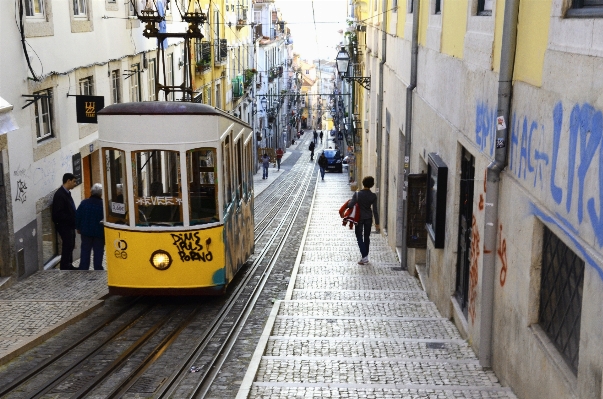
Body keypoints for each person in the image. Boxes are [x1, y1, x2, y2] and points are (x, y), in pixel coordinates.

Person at [348, 176, 380, 265]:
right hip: (368, 218)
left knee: (359, 236)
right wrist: (377, 223)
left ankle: (364, 256)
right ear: (372, 185)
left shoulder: (357, 194)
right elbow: (375, 210)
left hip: (359, 218)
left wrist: (349, 203)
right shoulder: (373, 196)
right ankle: (365, 256)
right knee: (367, 237)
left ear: (363, 183)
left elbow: (350, 205)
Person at [52, 173, 78, 270]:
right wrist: (70, 218)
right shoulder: (60, 195)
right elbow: (58, 214)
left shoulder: (66, 193)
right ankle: (65, 266)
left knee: (70, 244)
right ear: (68, 181)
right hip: (64, 226)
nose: (75, 184)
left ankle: (68, 264)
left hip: (69, 225)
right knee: (67, 245)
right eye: (74, 181)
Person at [76, 183, 105, 270]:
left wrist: (78, 227)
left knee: (85, 250)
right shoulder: (103, 205)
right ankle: (98, 267)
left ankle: (84, 267)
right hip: (99, 232)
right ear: (101, 194)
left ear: (91, 192)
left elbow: (78, 216)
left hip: (86, 231)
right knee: (98, 251)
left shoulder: (84, 203)